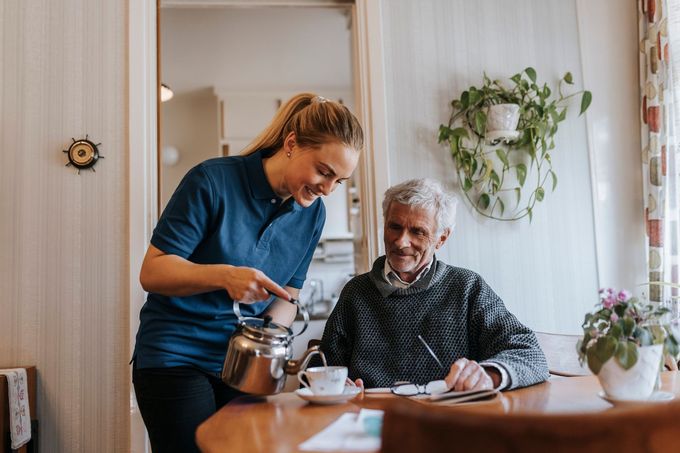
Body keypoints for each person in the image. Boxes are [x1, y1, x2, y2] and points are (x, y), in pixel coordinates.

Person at [132, 93, 364, 452]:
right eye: (323, 171)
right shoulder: (212, 181)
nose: (327, 189)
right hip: (176, 356)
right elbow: (153, 272)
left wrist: (272, 336)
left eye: (339, 181)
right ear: (291, 144)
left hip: (242, 365)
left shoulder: (312, 215)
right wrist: (226, 276)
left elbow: (290, 295)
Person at [317, 178, 549, 392]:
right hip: (373, 420)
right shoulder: (356, 292)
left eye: (417, 231)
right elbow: (322, 366)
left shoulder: (467, 288)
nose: (401, 241)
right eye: (394, 227)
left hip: (450, 421)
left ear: (442, 238)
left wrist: (488, 375)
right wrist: (336, 384)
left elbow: (531, 354)